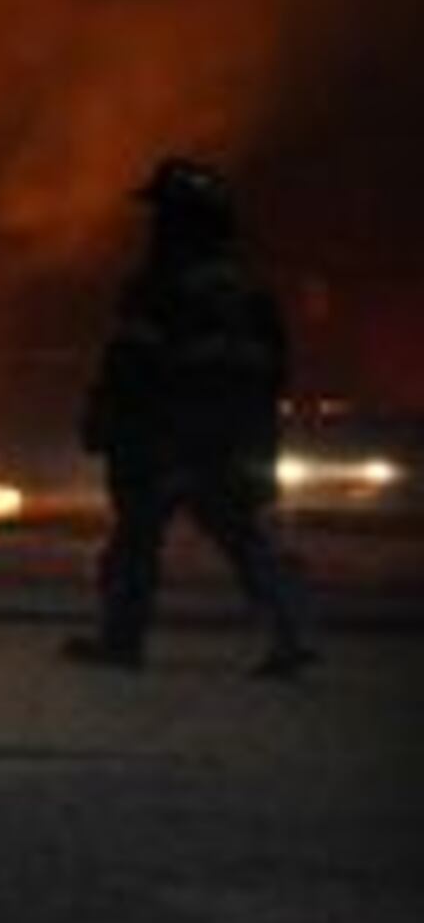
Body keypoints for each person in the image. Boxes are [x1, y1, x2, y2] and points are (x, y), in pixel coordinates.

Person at [67, 156, 315, 677]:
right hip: (233, 437)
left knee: (136, 538)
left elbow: (132, 362)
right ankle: (290, 633)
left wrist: (107, 417)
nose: (153, 226)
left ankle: (121, 640)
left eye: (161, 214)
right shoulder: (249, 290)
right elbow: (272, 372)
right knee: (241, 536)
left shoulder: (161, 285)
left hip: (167, 434)